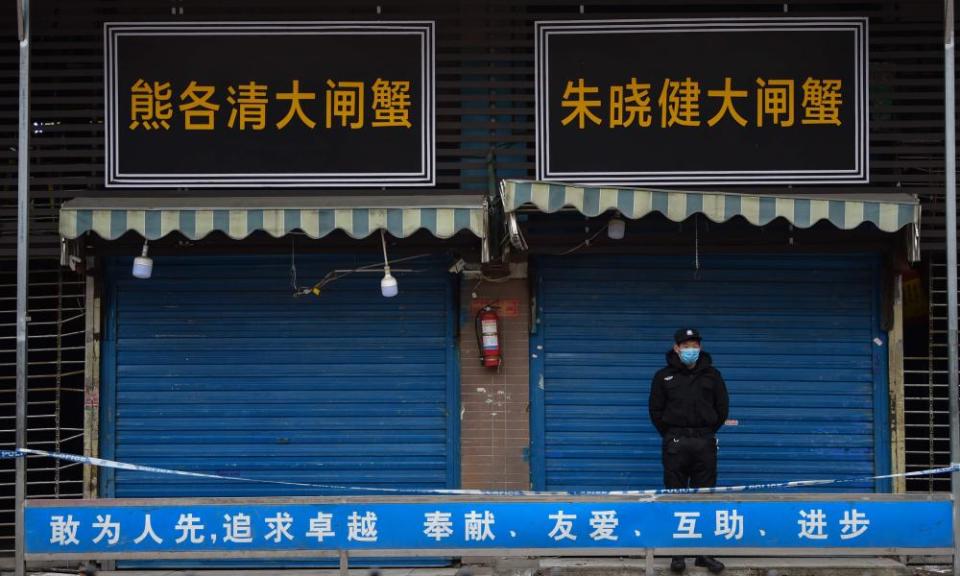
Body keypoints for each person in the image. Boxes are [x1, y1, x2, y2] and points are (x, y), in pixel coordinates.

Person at [649, 328, 729, 574]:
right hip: (675, 442)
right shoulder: (663, 377)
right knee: (676, 496)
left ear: (700, 347)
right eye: (685, 345)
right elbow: (655, 411)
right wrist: (672, 434)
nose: (690, 349)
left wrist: (705, 431)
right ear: (676, 348)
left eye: (694, 344)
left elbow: (722, 408)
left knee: (705, 499)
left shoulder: (713, 376)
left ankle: (704, 553)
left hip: (704, 441)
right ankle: (677, 554)